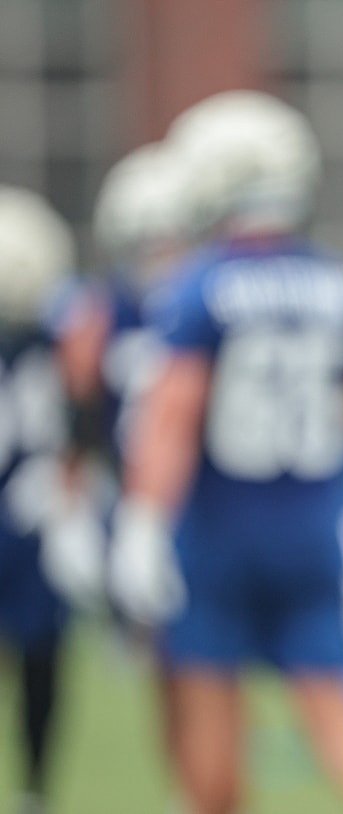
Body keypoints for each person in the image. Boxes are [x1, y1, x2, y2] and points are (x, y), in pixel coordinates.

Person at [106, 89, 343, 814]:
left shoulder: (199, 286)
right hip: (309, 522)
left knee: (212, 717)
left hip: (218, 529)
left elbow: (173, 418)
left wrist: (143, 523)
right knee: (337, 700)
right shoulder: (340, 282)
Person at [44, 139, 200, 618]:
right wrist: (71, 506)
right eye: (146, 245)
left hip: (204, 496)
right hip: (126, 488)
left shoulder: (206, 305)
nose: (161, 260)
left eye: (172, 243)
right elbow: (80, 410)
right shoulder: (99, 312)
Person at [0, 185, 76, 814]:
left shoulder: (59, 335)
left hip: (33, 518)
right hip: (26, 514)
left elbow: (85, 417)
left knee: (42, 656)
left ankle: (34, 790)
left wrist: (71, 483)